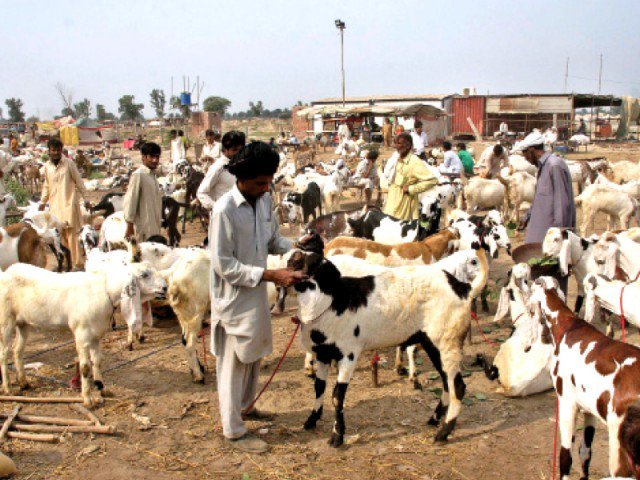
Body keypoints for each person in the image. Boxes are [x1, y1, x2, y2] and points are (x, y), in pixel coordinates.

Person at [210, 141, 307, 453]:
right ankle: (233, 430)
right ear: (242, 178)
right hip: (233, 296)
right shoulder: (224, 210)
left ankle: (246, 407)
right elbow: (224, 266)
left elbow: (272, 239)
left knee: (253, 355)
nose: (266, 188)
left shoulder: (265, 201)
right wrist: (271, 275)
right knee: (233, 362)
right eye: (259, 183)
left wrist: (294, 248)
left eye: (268, 182)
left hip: (256, 295)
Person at [514, 131, 575, 243]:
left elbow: (561, 201)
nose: (525, 158)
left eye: (525, 154)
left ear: (532, 150)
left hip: (552, 234)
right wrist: (527, 217)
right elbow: (539, 197)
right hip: (541, 230)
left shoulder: (554, 165)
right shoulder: (542, 167)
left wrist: (559, 231)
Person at [39, 137, 90, 270]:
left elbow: (79, 182)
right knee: (59, 237)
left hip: (69, 204)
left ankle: (77, 264)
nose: (56, 152)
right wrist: (42, 202)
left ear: (61, 150)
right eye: (53, 150)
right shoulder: (47, 167)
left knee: (73, 236)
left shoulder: (69, 164)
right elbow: (46, 186)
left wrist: (86, 199)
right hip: (55, 207)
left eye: (58, 150)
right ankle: (67, 264)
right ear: (49, 151)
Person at [383, 132, 437, 221]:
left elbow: (432, 180)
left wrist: (411, 189)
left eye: (399, 143)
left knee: (399, 229)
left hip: (404, 203)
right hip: (393, 199)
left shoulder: (414, 162)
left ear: (408, 145)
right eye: (395, 143)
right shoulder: (398, 158)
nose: (396, 146)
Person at [123, 142, 163, 243]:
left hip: (155, 225)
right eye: (152, 157)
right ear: (143, 157)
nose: (155, 160)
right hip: (144, 228)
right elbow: (131, 201)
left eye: (157, 157)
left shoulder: (152, 176)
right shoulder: (138, 175)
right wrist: (129, 226)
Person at [197, 131, 246, 211]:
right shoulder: (218, 168)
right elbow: (202, 193)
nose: (238, 153)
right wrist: (218, 208)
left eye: (240, 150)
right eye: (234, 150)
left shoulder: (242, 165)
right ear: (225, 150)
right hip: (223, 218)